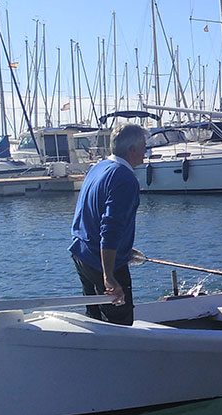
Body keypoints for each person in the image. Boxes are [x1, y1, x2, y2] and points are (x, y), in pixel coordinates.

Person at [69, 123, 147, 326]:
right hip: (101, 262)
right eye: (144, 146)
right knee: (119, 324)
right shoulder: (125, 178)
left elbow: (87, 215)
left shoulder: (98, 167)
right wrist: (109, 275)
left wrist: (125, 249)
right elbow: (110, 229)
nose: (146, 151)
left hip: (82, 254)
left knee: (95, 321)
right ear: (132, 150)